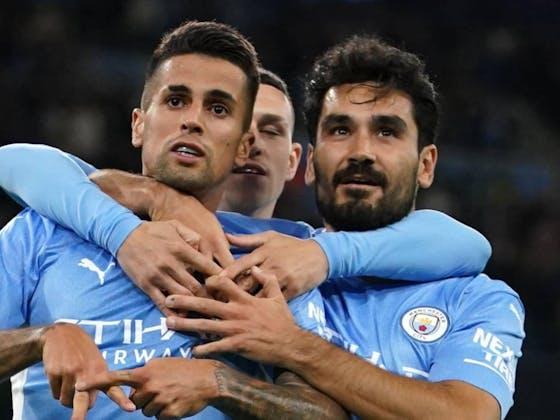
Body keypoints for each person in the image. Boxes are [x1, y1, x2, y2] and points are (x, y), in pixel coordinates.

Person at [97, 36, 524, 419]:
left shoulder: (475, 298)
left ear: (426, 165)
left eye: (386, 132)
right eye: (340, 130)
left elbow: (467, 415)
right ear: (311, 163)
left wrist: (294, 345)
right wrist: (159, 196)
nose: (361, 151)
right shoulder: (258, 252)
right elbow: (64, 178)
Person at [0, 20, 348, 420]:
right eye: (176, 100)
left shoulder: (270, 261)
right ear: (138, 124)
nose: (192, 120)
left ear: (243, 147)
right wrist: (41, 339)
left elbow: (327, 414)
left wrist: (221, 384)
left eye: (218, 109)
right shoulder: (43, 231)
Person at [218, 68, 302, 219]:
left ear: (292, 162)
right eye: (238, 127)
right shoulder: (170, 230)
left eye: (270, 131)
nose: (253, 145)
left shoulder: (325, 236)